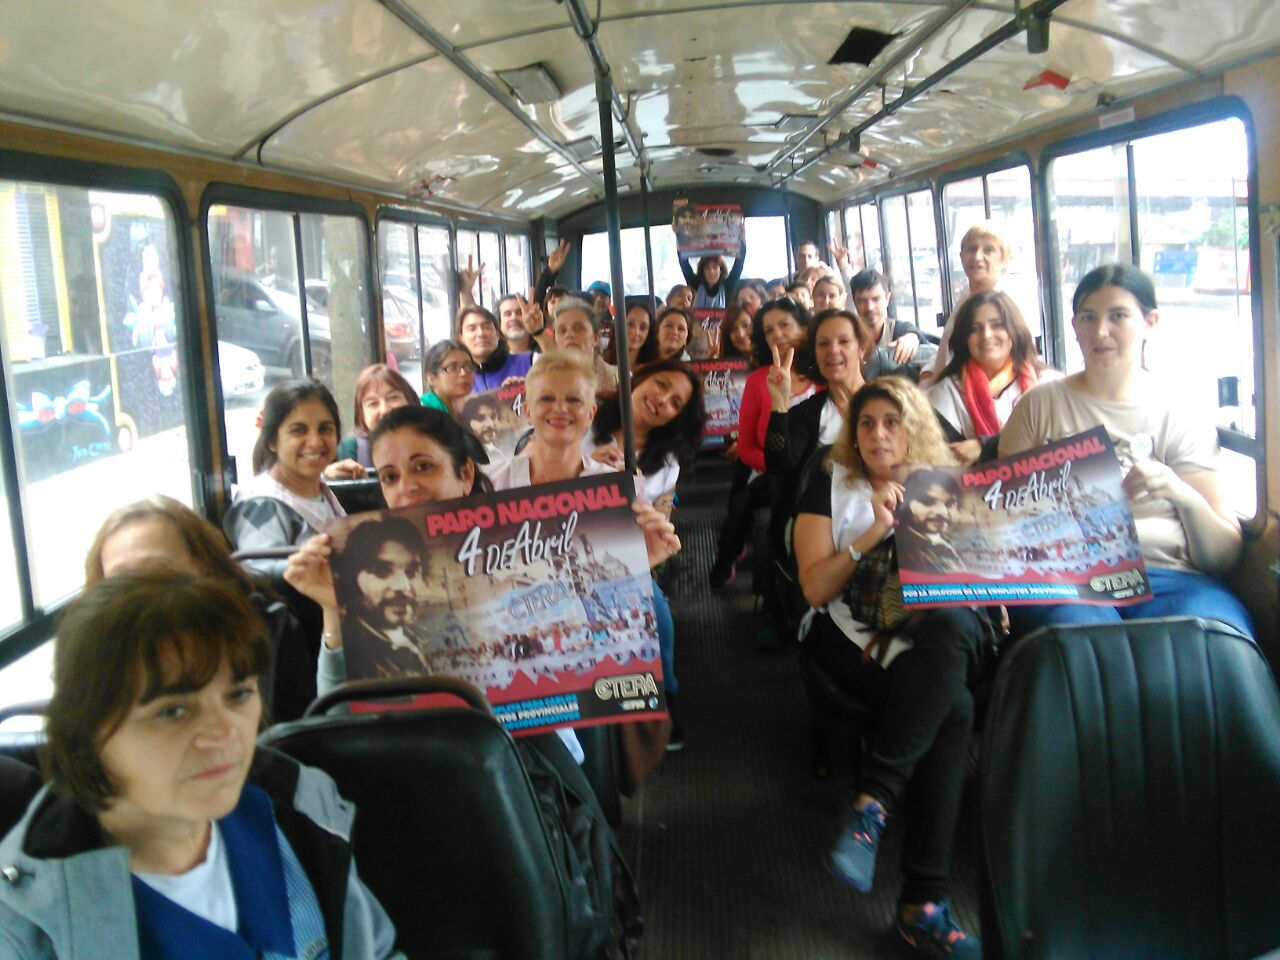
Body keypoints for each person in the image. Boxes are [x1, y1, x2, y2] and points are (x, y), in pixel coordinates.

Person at [0, 570, 401, 959]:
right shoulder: (29, 925)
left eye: (239, 695)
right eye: (173, 711)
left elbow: (375, 948)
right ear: (88, 732)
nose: (225, 733)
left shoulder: (296, 814)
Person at [793, 377, 987, 959]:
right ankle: (921, 906)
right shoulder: (830, 483)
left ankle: (873, 800)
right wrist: (874, 531)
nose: (879, 434)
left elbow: (982, 568)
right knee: (953, 708)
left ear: (914, 428)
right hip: (849, 630)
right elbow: (814, 590)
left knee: (952, 627)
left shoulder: (945, 484)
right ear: (853, 434)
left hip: (939, 633)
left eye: (892, 422)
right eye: (867, 423)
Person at [999, 263, 1252, 637]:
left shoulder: (1178, 411)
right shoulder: (1038, 406)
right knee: (1085, 641)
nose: (1100, 332)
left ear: (1150, 322)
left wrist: (1180, 494)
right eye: (1088, 317)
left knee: (1214, 638)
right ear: (1074, 326)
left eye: (1118, 316)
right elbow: (999, 521)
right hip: (1067, 576)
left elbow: (1222, 555)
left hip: (1171, 577)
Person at [84, 496, 320, 722]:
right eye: (121, 577)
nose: (139, 588)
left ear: (202, 565)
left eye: (158, 569)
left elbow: (292, 730)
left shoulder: (266, 627)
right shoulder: (96, 653)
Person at [707, 297, 816, 591]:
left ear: (804, 328)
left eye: (785, 325)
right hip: (768, 474)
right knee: (752, 514)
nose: (778, 335)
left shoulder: (822, 379)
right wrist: (778, 467)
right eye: (769, 331)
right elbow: (745, 448)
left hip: (814, 479)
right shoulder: (758, 381)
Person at [223, 379, 348, 571]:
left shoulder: (322, 492)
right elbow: (261, 577)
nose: (315, 442)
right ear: (272, 441)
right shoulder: (261, 504)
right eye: (299, 431)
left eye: (325, 429)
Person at [928, 289, 1053, 465]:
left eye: (997, 325)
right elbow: (948, 466)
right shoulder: (945, 394)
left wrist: (985, 446)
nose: (986, 335)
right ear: (965, 338)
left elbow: (1058, 444)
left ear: (1014, 331)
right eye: (975, 329)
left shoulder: (1048, 383)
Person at [588, 358, 706, 515]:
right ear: (640, 379)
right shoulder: (581, 421)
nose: (662, 400)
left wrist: (638, 497)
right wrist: (584, 470)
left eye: (675, 403)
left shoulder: (668, 468)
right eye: (661, 384)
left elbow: (661, 521)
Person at [329, 516, 432, 679]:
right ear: (351, 579)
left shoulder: (415, 638)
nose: (403, 586)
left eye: (411, 572)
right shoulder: (349, 651)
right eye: (381, 571)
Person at [927, 221, 1016, 379]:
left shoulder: (1006, 306)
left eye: (988, 250)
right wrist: (928, 373)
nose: (977, 257)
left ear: (1004, 260)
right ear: (961, 257)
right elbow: (950, 348)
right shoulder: (968, 296)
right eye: (972, 249)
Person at [333, 364, 418, 469]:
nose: (384, 410)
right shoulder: (349, 450)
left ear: (410, 400)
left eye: (393, 398)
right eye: (373, 403)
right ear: (361, 414)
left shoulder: (431, 441)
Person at [848, 268, 927, 367]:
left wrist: (913, 337)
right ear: (854, 302)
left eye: (876, 299)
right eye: (862, 301)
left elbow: (917, 338)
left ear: (887, 298)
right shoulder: (847, 334)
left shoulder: (900, 331)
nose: (869, 307)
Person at [895, 466, 964, 574]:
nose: (942, 512)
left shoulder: (948, 543)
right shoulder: (904, 550)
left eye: (950, 504)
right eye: (928, 502)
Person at [456, 305, 534, 391]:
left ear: (498, 333)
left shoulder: (530, 361)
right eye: (472, 329)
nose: (481, 333)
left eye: (486, 327)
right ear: (461, 339)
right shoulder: (459, 380)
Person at [551, 296, 618, 394]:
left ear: (596, 337)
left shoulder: (618, 378)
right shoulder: (545, 380)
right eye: (562, 330)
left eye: (578, 328)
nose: (569, 334)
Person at [677, 224, 746, 311]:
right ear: (703, 272)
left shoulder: (727, 286)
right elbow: (683, 262)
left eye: (714, 267)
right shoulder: (695, 284)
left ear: (721, 270)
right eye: (707, 268)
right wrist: (680, 235)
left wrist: (742, 240)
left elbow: (739, 264)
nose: (711, 272)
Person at [420, 339, 476, 413]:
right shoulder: (422, 412)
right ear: (430, 378)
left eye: (468, 366)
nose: (464, 373)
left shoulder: (478, 407)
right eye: (452, 367)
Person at [605, 297, 659, 370]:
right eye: (630, 324)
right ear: (618, 325)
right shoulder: (602, 365)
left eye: (643, 327)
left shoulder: (654, 370)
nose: (636, 332)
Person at [460, 392, 507, 463]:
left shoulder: (504, 445)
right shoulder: (468, 456)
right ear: (468, 423)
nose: (490, 424)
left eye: (493, 417)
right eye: (480, 418)